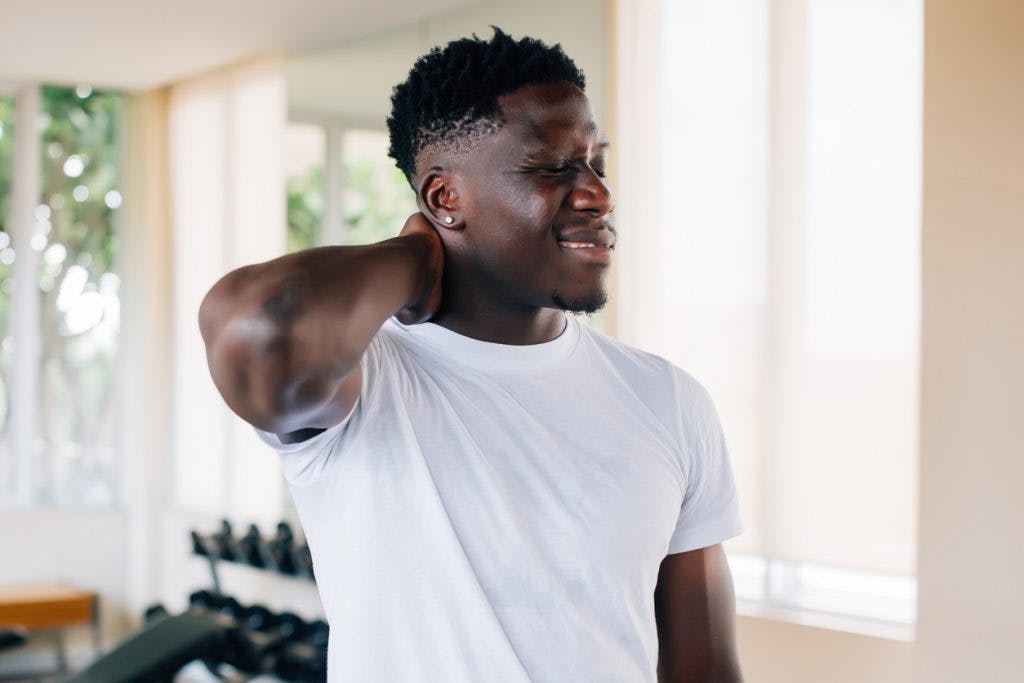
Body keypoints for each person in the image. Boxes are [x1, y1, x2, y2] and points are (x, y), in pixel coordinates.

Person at [200, 28, 743, 683]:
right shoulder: (365, 384)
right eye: (554, 168)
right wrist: (411, 257)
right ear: (444, 199)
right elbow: (263, 327)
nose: (598, 193)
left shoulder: (669, 400)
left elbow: (705, 669)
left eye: (597, 161)